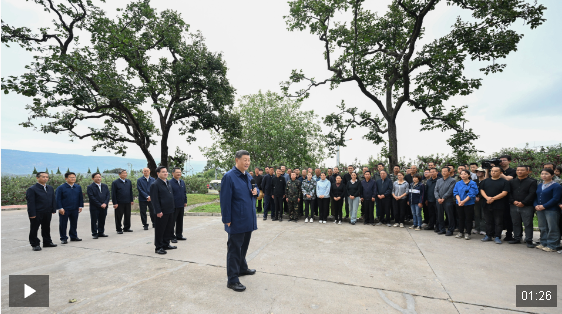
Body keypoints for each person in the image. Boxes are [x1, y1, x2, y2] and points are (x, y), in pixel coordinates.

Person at [220, 150, 259, 292]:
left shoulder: (248, 176)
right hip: (236, 220)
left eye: (249, 160)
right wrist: (227, 219)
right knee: (234, 250)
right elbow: (225, 200)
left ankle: (242, 268)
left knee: (243, 247)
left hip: (248, 219)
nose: (247, 162)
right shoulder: (229, 177)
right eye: (245, 160)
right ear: (236, 160)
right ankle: (232, 280)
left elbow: (256, 189)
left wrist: (257, 192)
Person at [26, 172, 57, 251]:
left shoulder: (50, 188)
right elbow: (31, 203)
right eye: (43, 177)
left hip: (47, 212)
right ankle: (35, 244)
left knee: (46, 227)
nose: (45, 178)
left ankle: (47, 242)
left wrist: (53, 209)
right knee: (34, 228)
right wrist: (32, 213)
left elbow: (53, 199)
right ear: (37, 178)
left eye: (47, 177)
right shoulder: (32, 189)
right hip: (37, 212)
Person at [480, 166, 510, 244]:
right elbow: (482, 190)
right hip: (487, 204)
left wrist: (492, 198)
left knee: (498, 222)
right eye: (492, 171)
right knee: (488, 221)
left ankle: (497, 236)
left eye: (495, 171)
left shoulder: (504, 182)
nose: (493, 172)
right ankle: (488, 235)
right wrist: (487, 198)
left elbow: (504, 193)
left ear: (500, 173)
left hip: (499, 205)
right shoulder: (485, 181)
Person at [508, 165, 537, 247]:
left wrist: (523, 202)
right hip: (514, 205)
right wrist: (513, 201)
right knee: (515, 223)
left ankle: (528, 240)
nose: (519, 172)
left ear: (527, 171)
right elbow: (509, 193)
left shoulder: (532, 181)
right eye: (518, 170)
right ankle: (517, 238)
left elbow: (532, 194)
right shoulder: (512, 182)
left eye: (522, 170)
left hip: (527, 206)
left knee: (528, 224)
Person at [150, 166, 177, 255]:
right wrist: (158, 211)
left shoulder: (168, 182)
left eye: (166, 172)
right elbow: (154, 200)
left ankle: (166, 244)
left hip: (170, 210)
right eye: (163, 172)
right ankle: (158, 247)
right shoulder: (155, 184)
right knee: (160, 230)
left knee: (168, 229)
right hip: (161, 212)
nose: (165, 173)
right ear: (158, 174)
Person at [534, 168, 562, 252]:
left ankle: (553, 245)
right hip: (540, 209)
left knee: (552, 227)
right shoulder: (540, 185)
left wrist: (544, 206)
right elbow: (535, 197)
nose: (544, 175)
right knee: (543, 227)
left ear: (552, 175)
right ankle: (543, 243)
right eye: (542, 174)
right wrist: (535, 205)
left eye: (546, 174)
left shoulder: (556, 186)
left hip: (552, 210)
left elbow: (556, 198)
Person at [57, 172, 84, 244]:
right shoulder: (61, 188)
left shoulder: (78, 187)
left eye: (74, 177)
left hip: (75, 208)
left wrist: (80, 206)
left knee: (74, 223)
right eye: (71, 177)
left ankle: (73, 236)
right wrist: (60, 208)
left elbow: (80, 197)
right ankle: (63, 238)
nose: (73, 179)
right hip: (65, 209)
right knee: (63, 224)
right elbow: (58, 199)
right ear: (66, 178)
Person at [453, 170, 478, 239]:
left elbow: (472, 194)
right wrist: (459, 201)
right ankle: (461, 232)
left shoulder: (472, 183)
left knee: (468, 219)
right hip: (459, 203)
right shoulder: (458, 183)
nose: (463, 175)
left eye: (465, 174)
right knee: (461, 218)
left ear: (469, 175)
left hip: (469, 203)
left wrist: (463, 201)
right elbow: (455, 193)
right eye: (461, 174)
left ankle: (468, 233)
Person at [87, 172, 110, 239]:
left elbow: (108, 195)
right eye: (96, 177)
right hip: (95, 207)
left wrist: (105, 203)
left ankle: (101, 232)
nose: (98, 178)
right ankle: (94, 233)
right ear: (93, 178)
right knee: (94, 220)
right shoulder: (90, 187)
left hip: (104, 206)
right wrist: (100, 204)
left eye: (99, 177)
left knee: (102, 219)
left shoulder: (104, 186)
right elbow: (91, 197)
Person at [498, 155, 516, 242]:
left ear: (509, 161)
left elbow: (508, 179)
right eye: (500, 160)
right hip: (497, 196)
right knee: (498, 216)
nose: (502, 162)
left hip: (509, 196)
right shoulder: (496, 170)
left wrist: (499, 172)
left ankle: (509, 234)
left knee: (509, 216)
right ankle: (497, 233)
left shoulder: (513, 171)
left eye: (504, 160)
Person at [434, 167, 456, 236]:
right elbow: (435, 190)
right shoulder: (439, 180)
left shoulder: (453, 180)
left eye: (445, 171)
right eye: (442, 171)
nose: (443, 173)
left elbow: (450, 191)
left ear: (449, 172)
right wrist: (438, 198)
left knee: (450, 216)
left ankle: (450, 230)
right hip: (439, 201)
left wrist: (443, 198)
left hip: (448, 201)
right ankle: (442, 229)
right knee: (440, 215)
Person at [111, 169, 134, 234]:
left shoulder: (128, 181)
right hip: (119, 202)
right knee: (119, 216)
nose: (125, 174)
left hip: (127, 201)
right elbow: (113, 193)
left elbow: (130, 191)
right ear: (119, 174)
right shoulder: (115, 182)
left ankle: (127, 227)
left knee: (127, 215)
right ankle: (119, 229)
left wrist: (131, 200)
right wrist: (115, 203)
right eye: (123, 173)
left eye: (126, 173)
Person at [170, 168, 187, 242]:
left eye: (180, 172)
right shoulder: (170, 182)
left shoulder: (182, 182)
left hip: (181, 204)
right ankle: (171, 236)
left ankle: (179, 235)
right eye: (177, 172)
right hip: (173, 205)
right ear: (173, 173)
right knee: (172, 222)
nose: (179, 174)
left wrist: (185, 201)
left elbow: (184, 192)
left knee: (180, 221)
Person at [473, 168, 487, 235]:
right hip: (475, 200)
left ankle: (483, 229)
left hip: (484, 199)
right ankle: (477, 228)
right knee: (476, 214)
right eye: (477, 172)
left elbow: (486, 190)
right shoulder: (474, 181)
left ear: (484, 173)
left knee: (483, 215)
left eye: (480, 172)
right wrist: (475, 197)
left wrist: (480, 197)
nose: (479, 173)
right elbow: (472, 189)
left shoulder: (486, 181)